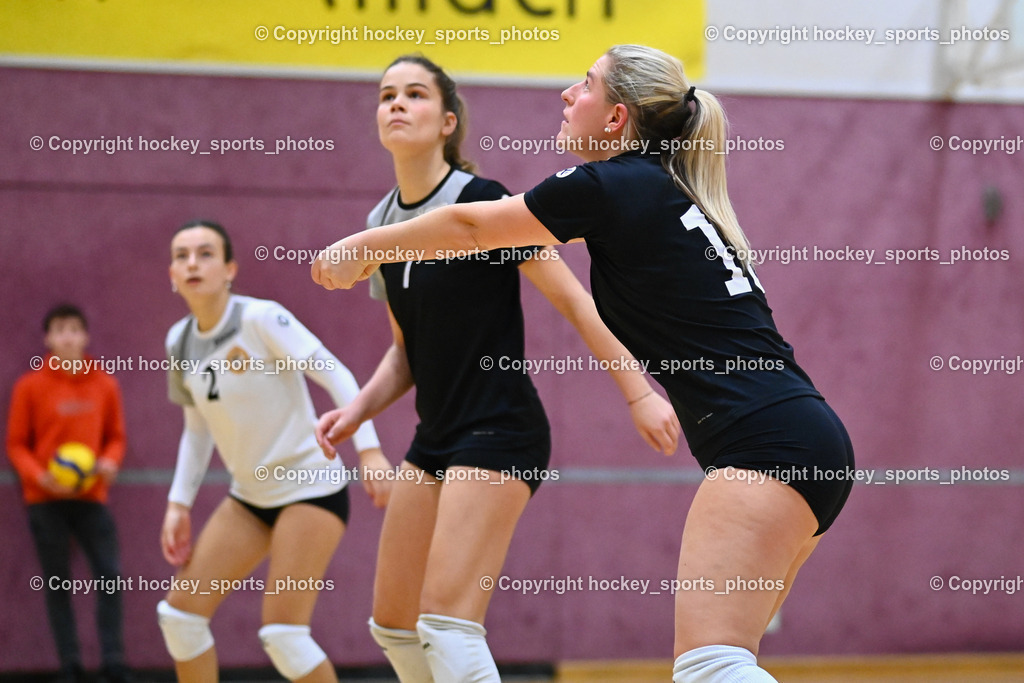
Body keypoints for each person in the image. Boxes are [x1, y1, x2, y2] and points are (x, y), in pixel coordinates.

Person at [311, 45, 855, 683]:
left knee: (711, 666)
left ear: (617, 118)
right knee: (725, 663)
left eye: (587, 84)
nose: (568, 94)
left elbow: (470, 229)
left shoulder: (611, 184)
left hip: (766, 447)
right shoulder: (660, 188)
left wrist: (361, 247)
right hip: (805, 440)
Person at [312, 55, 679, 683]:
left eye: (415, 94)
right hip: (436, 436)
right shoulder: (379, 224)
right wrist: (358, 409)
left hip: (500, 429)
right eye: (386, 95)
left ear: (447, 121)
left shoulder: (483, 203)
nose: (396, 104)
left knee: (446, 626)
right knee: (393, 625)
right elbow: (406, 350)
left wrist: (637, 393)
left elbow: (575, 302)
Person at [158, 220, 391, 683]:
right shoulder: (178, 341)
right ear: (172, 275)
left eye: (205, 253)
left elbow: (336, 373)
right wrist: (178, 504)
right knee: (180, 619)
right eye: (182, 256)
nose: (192, 264)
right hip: (249, 497)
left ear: (230, 269)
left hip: (310, 490)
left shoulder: (261, 319)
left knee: (284, 636)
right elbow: (197, 431)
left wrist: (369, 450)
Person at [6, 304, 131, 683]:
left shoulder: (105, 384)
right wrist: (41, 477)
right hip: (45, 501)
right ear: (47, 338)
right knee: (57, 582)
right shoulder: (29, 386)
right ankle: (70, 664)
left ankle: (113, 662)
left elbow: (116, 437)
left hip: (92, 498)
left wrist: (109, 462)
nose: (67, 337)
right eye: (59, 330)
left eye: (74, 329)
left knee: (109, 576)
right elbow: (16, 444)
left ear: (85, 336)